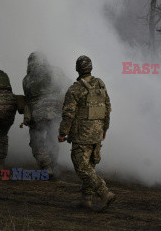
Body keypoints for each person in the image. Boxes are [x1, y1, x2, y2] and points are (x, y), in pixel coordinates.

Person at [58, 55, 115, 211]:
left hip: (82, 135)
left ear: (77, 69)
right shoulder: (100, 85)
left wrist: (62, 132)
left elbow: (68, 114)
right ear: (90, 67)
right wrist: (105, 129)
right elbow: (107, 108)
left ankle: (104, 193)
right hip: (97, 133)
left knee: (82, 167)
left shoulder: (74, 89)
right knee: (90, 166)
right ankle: (86, 200)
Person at [21, 52, 69, 177]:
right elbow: (69, 86)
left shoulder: (27, 79)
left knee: (37, 140)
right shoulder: (57, 71)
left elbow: (28, 98)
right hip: (57, 111)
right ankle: (52, 164)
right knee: (53, 137)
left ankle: (46, 167)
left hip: (39, 112)